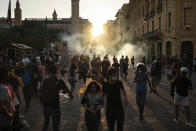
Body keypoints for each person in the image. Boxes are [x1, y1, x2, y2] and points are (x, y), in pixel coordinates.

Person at [40, 65, 71, 131]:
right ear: (56, 72)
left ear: (49, 72)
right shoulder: (59, 81)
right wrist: (68, 94)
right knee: (55, 125)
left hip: (46, 105)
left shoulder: (45, 81)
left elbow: (41, 91)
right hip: (55, 106)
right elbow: (67, 90)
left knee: (46, 123)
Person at [0, 66, 13, 131]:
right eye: (8, 73)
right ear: (4, 75)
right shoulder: (3, 89)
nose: (9, 75)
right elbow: (1, 106)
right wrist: (9, 114)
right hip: (4, 122)